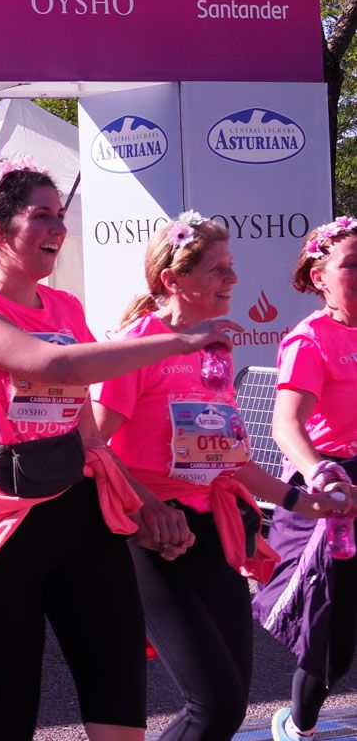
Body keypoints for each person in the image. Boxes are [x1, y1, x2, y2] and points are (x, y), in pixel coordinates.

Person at [0, 157, 242, 740]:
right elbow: (49, 364)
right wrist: (177, 340)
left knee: (119, 707)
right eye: (41, 216)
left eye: (60, 216)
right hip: (0, 520)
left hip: (80, 513)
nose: (57, 230)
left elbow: (89, 434)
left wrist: (146, 505)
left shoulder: (65, 309)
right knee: (2, 725)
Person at [95, 213, 345, 741]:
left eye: (231, 267)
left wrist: (305, 502)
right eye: (217, 270)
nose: (232, 279)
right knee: (213, 704)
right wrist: (149, 508)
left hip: (215, 534)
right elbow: (92, 443)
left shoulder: (213, 349)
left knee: (228, 707)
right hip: (154, 539)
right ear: (174, 280)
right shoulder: (138, 343)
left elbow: (230, 462)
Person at [256, 217, 357, 741]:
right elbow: (286, 424)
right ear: (319, 276)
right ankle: (298, 725)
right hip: (335, 488)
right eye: (352, 265)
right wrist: (323, 474)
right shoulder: (311, 339)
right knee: (332, 643)